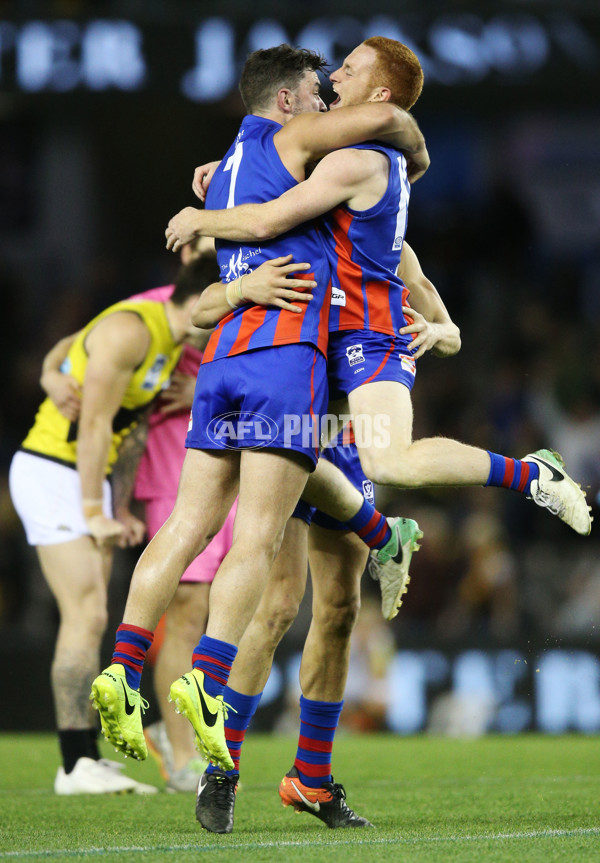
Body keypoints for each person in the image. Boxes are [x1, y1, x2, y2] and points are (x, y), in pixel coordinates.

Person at [90, 43, 430, 786]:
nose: (325, 95)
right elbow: (395, 129)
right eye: (318, 86)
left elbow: (212, 277)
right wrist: (413, 152)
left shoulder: (228, 165)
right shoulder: (301, 142)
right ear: (286, 102)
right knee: (258, 545)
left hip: (222, 360)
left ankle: (122, 671)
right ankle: (209, 687)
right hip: (291, 359)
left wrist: (208, 217)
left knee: (192, 528)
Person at [166, 37, 592, 541]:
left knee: (392, 463)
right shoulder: (341, 166)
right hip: (326, 339)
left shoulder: (358, 163)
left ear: (379, 94)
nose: (334, 79)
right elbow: (405, 264)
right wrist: (230, 170)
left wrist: (202, 217)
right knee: (286, 450)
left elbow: (265, 221)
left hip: (366, 335)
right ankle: (387, 539)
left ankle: (535, 476)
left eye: (349, 70)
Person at [190, 239, 460, 833]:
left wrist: (441, 334)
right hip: (292, 413)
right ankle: (222, 766)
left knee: (339, 610)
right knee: (277, 605)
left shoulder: (390, 248)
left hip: (351, 433)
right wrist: (208, 216)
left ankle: (310, 779)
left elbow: (448, 327)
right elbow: (225, 259)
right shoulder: (295, 234)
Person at [8, 256, 218, 794]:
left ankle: (83, 757)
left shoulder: (169, 344)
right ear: (196, 299)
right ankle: (74, 764)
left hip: (86, 479)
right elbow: (97, 422)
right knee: (86, 613)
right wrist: (96, 511)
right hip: (53, 469)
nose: (225, 317)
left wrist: (117, 505)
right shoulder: (132, 328)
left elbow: (72, 360)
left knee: (92, 616)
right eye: (222, 305)